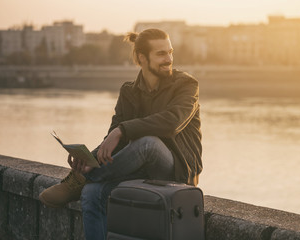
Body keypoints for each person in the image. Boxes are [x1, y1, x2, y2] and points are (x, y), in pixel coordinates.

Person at [39, 28, 202, 240]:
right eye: (161, 54)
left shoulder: (186, 85)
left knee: (148, 144)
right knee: (91, 194)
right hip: (138, 170)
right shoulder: (129, 91)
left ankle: (81, 178)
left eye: (170, 52)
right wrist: (90, 157)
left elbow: (173, 122)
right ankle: (85, 175)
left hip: (178, 171)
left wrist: (122, 130)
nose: (169, 58)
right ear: (141, 58)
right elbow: (112, 139)